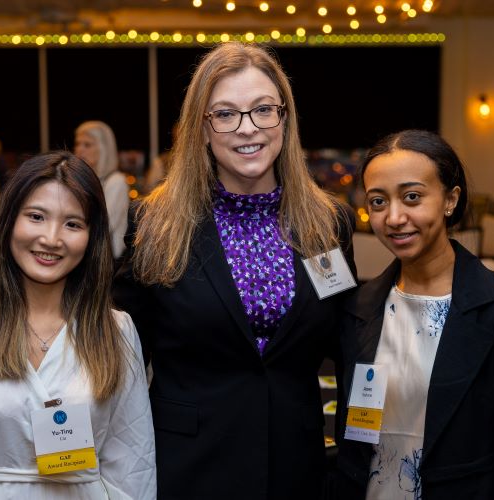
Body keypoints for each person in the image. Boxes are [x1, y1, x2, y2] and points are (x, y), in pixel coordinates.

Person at [113, 42, 356, 500]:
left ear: (284, 118)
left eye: (263, 109)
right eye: (225, 114)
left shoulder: (328, 224)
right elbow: (121, 350)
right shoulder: (156, 223)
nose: (248, 128)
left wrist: (354, 455)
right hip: (190, 468)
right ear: (202, 129)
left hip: (297, 466)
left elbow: (347, 345)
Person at [0, 151, 156, 499]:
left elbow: (133, 468)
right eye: (37, 216)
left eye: (73, 223)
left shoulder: (115, 332)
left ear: (92, 238)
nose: (52, 238)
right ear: (9, 220)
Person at [335, 130, 494, 499]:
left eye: (412, 197)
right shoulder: (360, 307)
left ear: (450, 200)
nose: (393, 217)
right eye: (378, 201)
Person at [75, 121, 130, 260]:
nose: (80, 149)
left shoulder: (116, 181)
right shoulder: (82, 180)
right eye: (77, 144)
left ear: (103, 148)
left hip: (106, 261)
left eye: (87, 144)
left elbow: (105, 225)